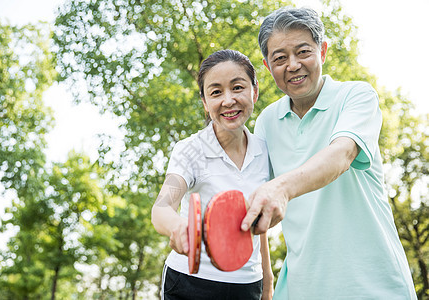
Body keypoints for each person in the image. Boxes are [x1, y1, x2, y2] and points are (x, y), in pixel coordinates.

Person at [240, 7, 417, 299]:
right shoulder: (267, 122)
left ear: (322, 51)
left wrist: (281, 188)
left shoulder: (357, 96)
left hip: (374, 286)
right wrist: (265, 280)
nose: (293, 65)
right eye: (280, 58)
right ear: (268, 65)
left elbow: (341, 155)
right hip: (299, 288)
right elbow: (256, 201)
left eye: (303, 52)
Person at [151, 49, 274, 300]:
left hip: (248, 284)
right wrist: (177, 226)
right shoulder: (190, 150)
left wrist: (267, 279)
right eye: (216, 92)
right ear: (206, 103)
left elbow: (257, 222)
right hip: (190, 283)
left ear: (255, 91)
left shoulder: (266, 151)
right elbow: (162, 207)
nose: (228, 100)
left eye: (237, 87)